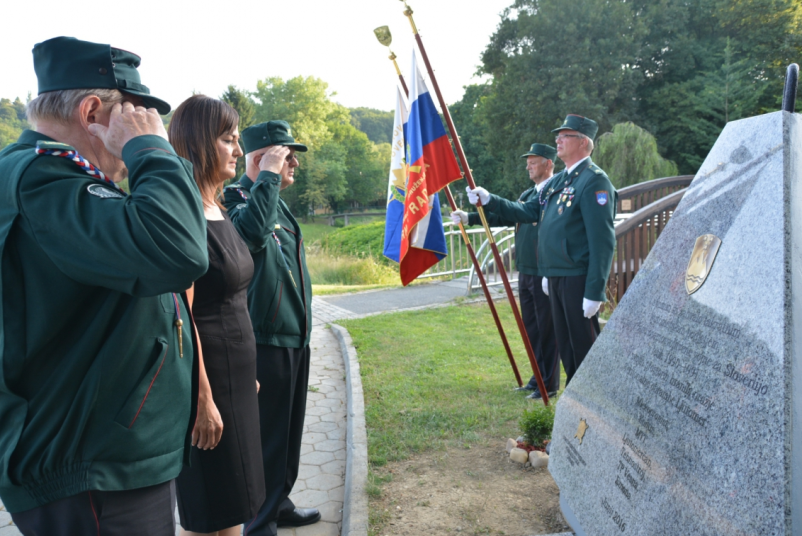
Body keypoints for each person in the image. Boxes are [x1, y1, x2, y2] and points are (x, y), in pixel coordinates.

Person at [0, 37, 208, 534]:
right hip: (89, 469)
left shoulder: (54, 178)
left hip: (102, 457)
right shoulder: (42, 181)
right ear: (93, 111)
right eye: (135, 114)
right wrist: (150, 149)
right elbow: (179, 251)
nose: (147, 126)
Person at [168, 95, 266, 536]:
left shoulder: (216, 206)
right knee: (212, 516)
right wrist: (202, 400)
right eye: (228, 140)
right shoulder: (184, 212)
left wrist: (247, 374)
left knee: (236, 508)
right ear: (200, 143)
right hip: (208, 387)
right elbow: (181, 319)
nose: (238, 150)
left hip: (236, 381)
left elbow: (231, 302)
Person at [467, 115, 616, 386]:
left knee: (583, 347)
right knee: (568, 349)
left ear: (583, 142)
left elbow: (602, 241)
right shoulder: (560, 180)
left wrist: (595, 291)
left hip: (577, 277)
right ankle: (572, 408)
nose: (557, 139)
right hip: (556, 274)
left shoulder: (594, 181)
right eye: (558, 135)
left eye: (565, 135)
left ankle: (593, 405)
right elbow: (531, 211)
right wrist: (491, 200)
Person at [222, 121, 318, 536]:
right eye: (286, 154)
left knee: (289, 433)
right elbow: (250, 236)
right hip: (265, 338)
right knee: (266, 439)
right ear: (261, 158)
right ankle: (259, 524)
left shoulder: (272, 197)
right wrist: (268, 177)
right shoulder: (236, 196)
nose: (294, 162)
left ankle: (279, 502)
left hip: (294, 335)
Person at [451, 143, 560, 399]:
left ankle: (549, 383)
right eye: (528, 162)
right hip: (526, 269)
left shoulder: (553, 191)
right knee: (531, 327)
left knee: (546, 328)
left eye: (533, 162)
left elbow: (522, 212)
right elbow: (508, 216)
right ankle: (537, 378)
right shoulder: (528, 193)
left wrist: (491, 199)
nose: (528, 166)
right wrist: (471, 217)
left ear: (548, 163)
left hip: (544, 268)